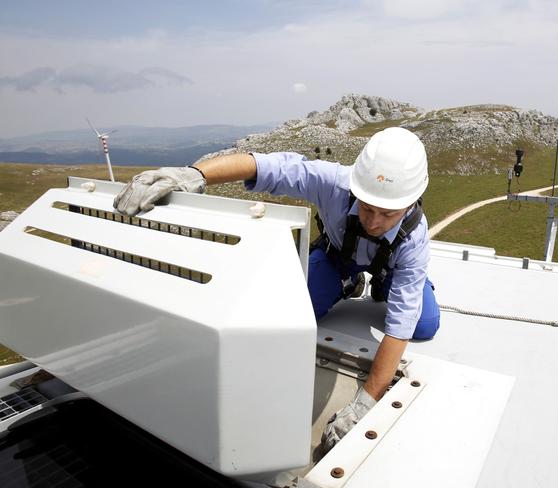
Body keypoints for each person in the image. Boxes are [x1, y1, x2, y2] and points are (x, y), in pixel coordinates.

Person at [113, 127, 440, 452]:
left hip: (393, 267)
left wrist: (364, 403)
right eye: (367, 207)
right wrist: (191, 174)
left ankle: (384, 284)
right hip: (338, 258)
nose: (373, 221)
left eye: (388, 213)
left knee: (423, 324)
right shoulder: (334, 183)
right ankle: (347, 282)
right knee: (296, 310)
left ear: (410, 204)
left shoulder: (413, 239)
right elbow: (265, 165)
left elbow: (399, 328)